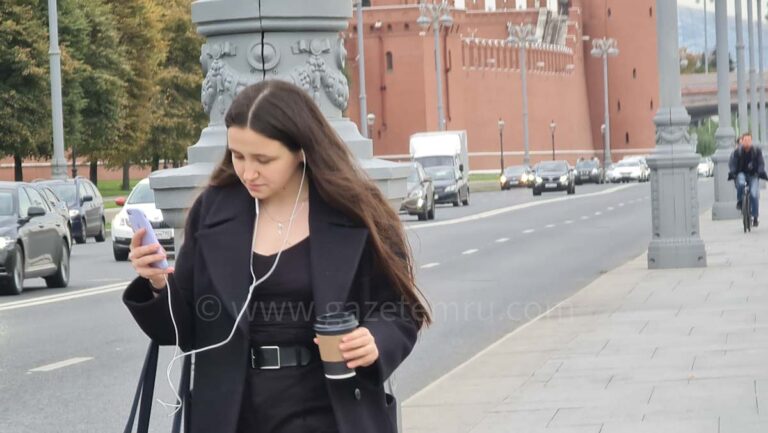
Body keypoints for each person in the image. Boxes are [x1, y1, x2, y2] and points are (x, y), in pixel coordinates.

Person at [122, 80, 431, 433]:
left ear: (301, 150)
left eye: (263, 160)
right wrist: (158, 283)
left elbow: (400, 310)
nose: (248, 172)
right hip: (231, 415)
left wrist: (375, 339)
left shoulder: (355, 210)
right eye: (238, 156)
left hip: (334, 412)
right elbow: (183, 329)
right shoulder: (212, 211)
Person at [728, 132, 768, 227]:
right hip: (741, 173)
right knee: (741, 183)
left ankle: (755, 216)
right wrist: (733, 172)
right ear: (742, 141)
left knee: (754, 194)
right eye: (745, 140)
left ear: (751, 141)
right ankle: (740, 201)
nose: (747, 142)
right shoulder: (738, 152)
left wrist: (760, 171)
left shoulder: (756, 151)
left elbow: (761, 163)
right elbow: (733, 164)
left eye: (749, 140)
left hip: (753, 175)